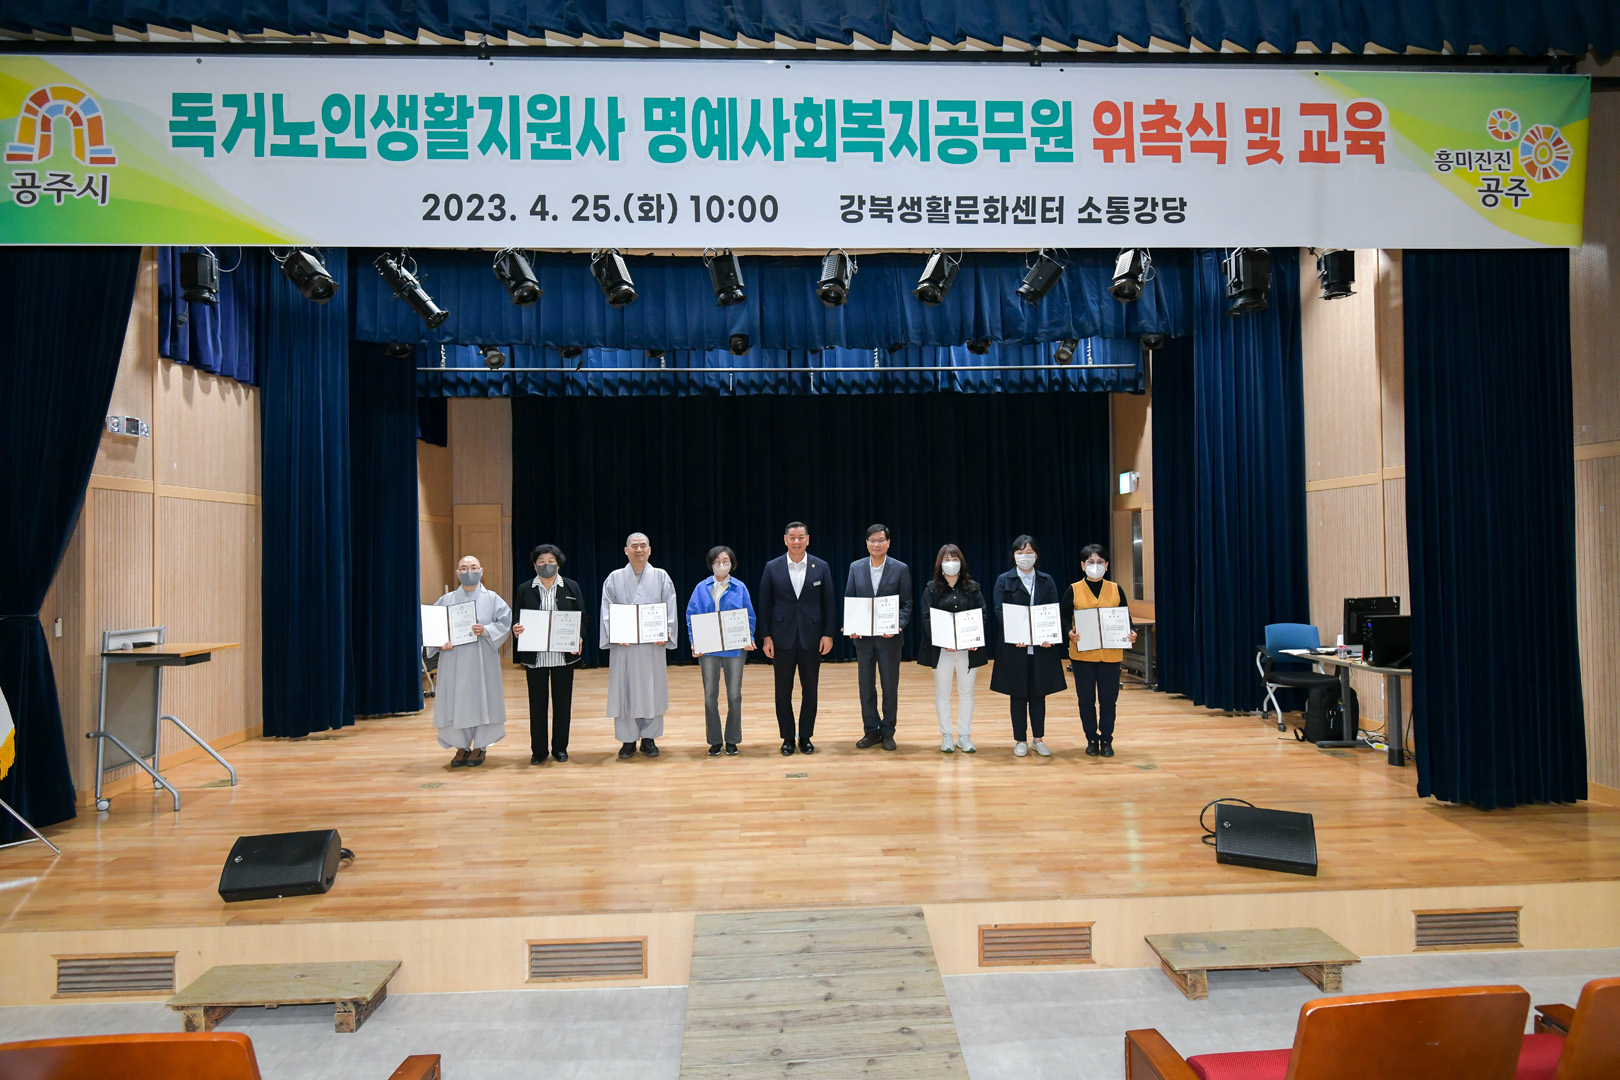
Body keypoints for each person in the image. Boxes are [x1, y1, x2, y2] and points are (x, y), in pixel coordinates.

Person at [757, 521, 837, 756]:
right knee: (782, 691)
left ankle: (806, 736)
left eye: (801, 537)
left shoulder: (821, 566)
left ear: (808, 540)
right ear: (785, 540)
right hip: (781, 639)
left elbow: (829, 603)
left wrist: (828, 634)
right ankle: (787, 737)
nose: (796, 541)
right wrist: (766, 637)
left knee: (810, 690)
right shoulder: (772, 567)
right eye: (792, 537)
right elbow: (764, 604)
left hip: (812, 639)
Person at [427, 555, 512, 768]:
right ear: (457, 573)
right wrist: (441, 642)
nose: (468, 571)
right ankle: (461, 746)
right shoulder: (446, 600)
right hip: (453, 658)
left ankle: (480, 746)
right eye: (463, 568)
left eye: (473, 567)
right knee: (454, 700)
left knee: (483, 698)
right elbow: (433, 627)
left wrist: (486, 630)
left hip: (482, 658)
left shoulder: (492, 598)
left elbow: (505, 622)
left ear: (481, 571)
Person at [600, 532, 678, 760]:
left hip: (651, 646)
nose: (639, 550)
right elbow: (607, 610)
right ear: (626, 550)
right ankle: (627, 740)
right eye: (634, 546)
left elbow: (670, 607)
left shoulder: (661, 577)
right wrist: (614, 634)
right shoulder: (614, 578)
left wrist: (666, 632)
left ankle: (649, 738)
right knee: (625, 690)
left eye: (643, 545)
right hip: (624, 646)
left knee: (652, 689)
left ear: (650, 550)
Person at [989, 535, 1068, 758]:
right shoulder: (1004, 580)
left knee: (1039, 694)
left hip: (1041, 648)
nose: (1025, 557)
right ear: (1013, 556)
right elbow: (999, 611)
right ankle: (1020, 740)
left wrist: (1049, 635)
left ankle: (1038, 739)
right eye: (1021, 553)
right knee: (1017, 695)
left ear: (1036, 555)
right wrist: (1016, 634)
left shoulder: (1046, 580)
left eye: (1029, 552)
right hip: (1015, 647)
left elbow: (1053, 610)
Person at [1060, 543, 1137, 757]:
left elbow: (1125, 617)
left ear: (1107, 565)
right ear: (1082, 565)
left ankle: (1107, 739)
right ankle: (1091, 739)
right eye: (1091, 562)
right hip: (1083, 655)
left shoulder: (1116, 589)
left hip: (1111, 655)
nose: (1096, 565)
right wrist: (1069, 632)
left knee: (1108, 701)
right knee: (1086, 700)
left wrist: (1131, 632)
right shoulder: (1074, 589)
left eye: (1100, 561)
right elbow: (1063, 616)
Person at [512, 544, 585, 765]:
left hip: (563, 656)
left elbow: (582, 616)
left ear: (558, 565)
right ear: (534, 565)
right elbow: (517, 617)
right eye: (541, 562)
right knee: (537, 705)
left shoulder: (571, 586)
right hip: (536, 657)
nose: (546, 565)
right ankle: (539, 751)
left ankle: (560, 748)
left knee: (563, 705)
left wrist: (579, 636)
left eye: (551, 562)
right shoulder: (525, 588)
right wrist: (516, 628)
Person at [846, 523, 912, 751]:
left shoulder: (900, 568)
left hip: (889, 638)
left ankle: (888, 731)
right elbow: (850, 600)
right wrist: (852, 625)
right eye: (872, 540)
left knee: (889, 686)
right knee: (866, 686)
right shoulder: (856, 567)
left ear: (888, 543)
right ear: (866, 543)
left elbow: (906, 604)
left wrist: (897, 626)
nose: (877, 544)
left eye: (881, 540)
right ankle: (871, 730)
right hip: (863, 639)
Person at [686, 545, 757, 756]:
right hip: (708, 650)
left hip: (735, 649)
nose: (721, 565)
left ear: (732, 564)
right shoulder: (701, 587)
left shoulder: (740, 587)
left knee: (734, 695)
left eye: (725, 561)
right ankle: (715, 740)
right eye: (717, 562)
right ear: (711, 565)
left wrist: (749, 638)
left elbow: (749, 616)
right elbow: (691, 616)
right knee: (710, 695)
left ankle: (732, 739)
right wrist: (694, 641)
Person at [917, 544, 988, 754]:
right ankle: (946, 735)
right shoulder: (931, 588)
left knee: (967, 692)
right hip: (942, 651)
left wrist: (974, 637)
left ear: (961, 562)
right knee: (943, 692)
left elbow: (982, 615)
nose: (951, 563)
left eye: (954, 559)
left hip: (968, 650)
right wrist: (942, 639)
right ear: (940, 564)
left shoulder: (973, 588)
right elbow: (926, 617)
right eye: (946, 559)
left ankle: (964, 736)